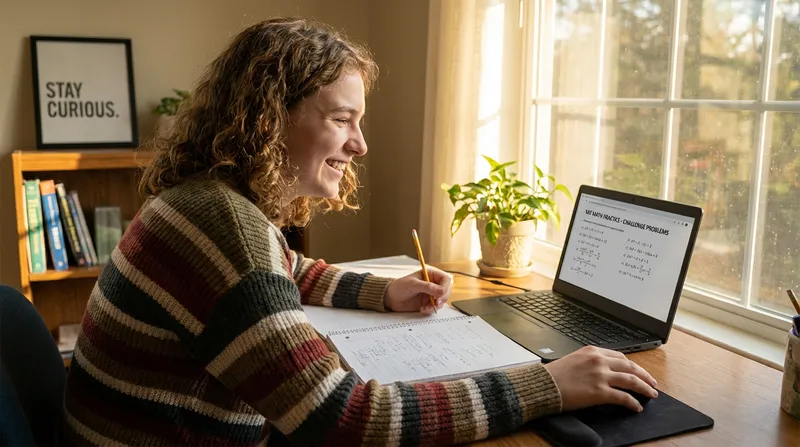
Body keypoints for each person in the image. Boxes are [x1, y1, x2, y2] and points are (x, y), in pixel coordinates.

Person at [59, 17, 658, 446]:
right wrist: (546, 384)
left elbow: (285, 273)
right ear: (270, 119)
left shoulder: (208, 202)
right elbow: (345, 419)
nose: (360, 143)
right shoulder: (228, 230)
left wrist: (384, 291)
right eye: (342, 118)